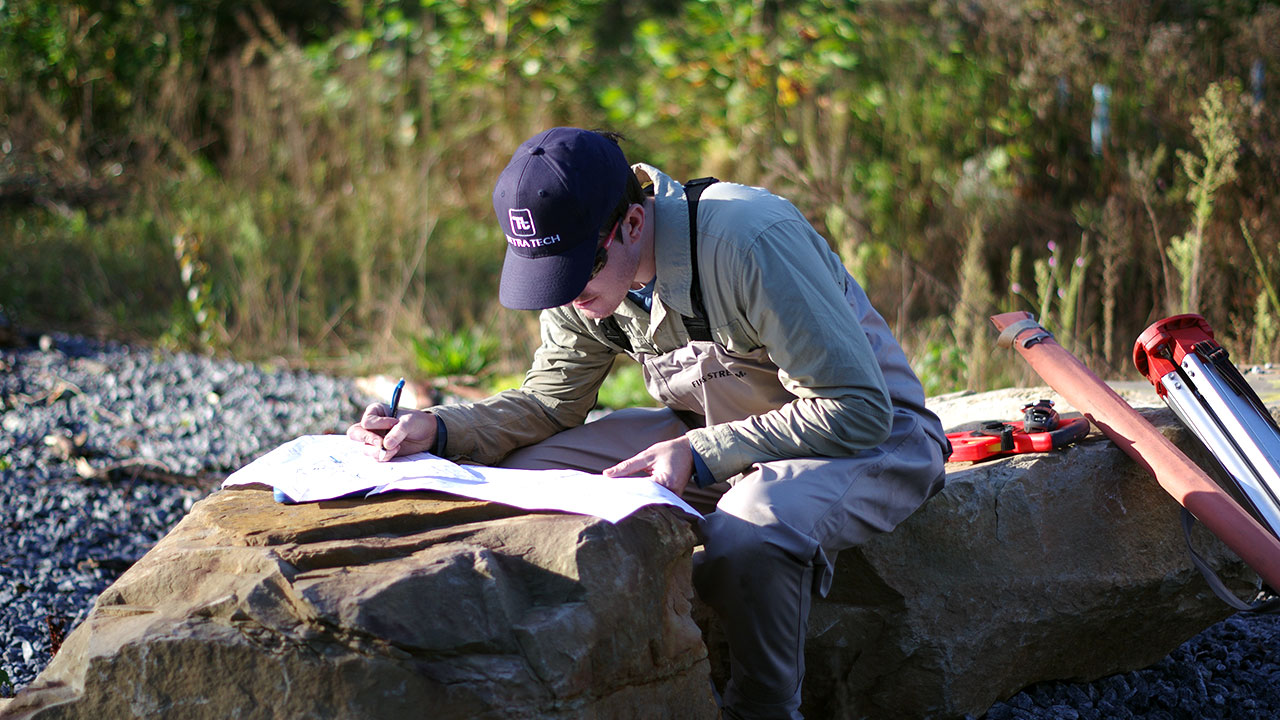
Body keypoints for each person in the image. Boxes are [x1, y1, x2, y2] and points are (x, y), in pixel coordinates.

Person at [347, 126, 950, 719]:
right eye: (548, 275)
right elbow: (550, 404)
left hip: (867, 439)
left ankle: (760, 708)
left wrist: (705, 450)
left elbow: (857, 408)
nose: (565, 294)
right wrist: (439, 429)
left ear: (633, 224)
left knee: (748, 533)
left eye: (577, 269)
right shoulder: (583, 280)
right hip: (717, 433)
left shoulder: (750, 238)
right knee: (523, 477)